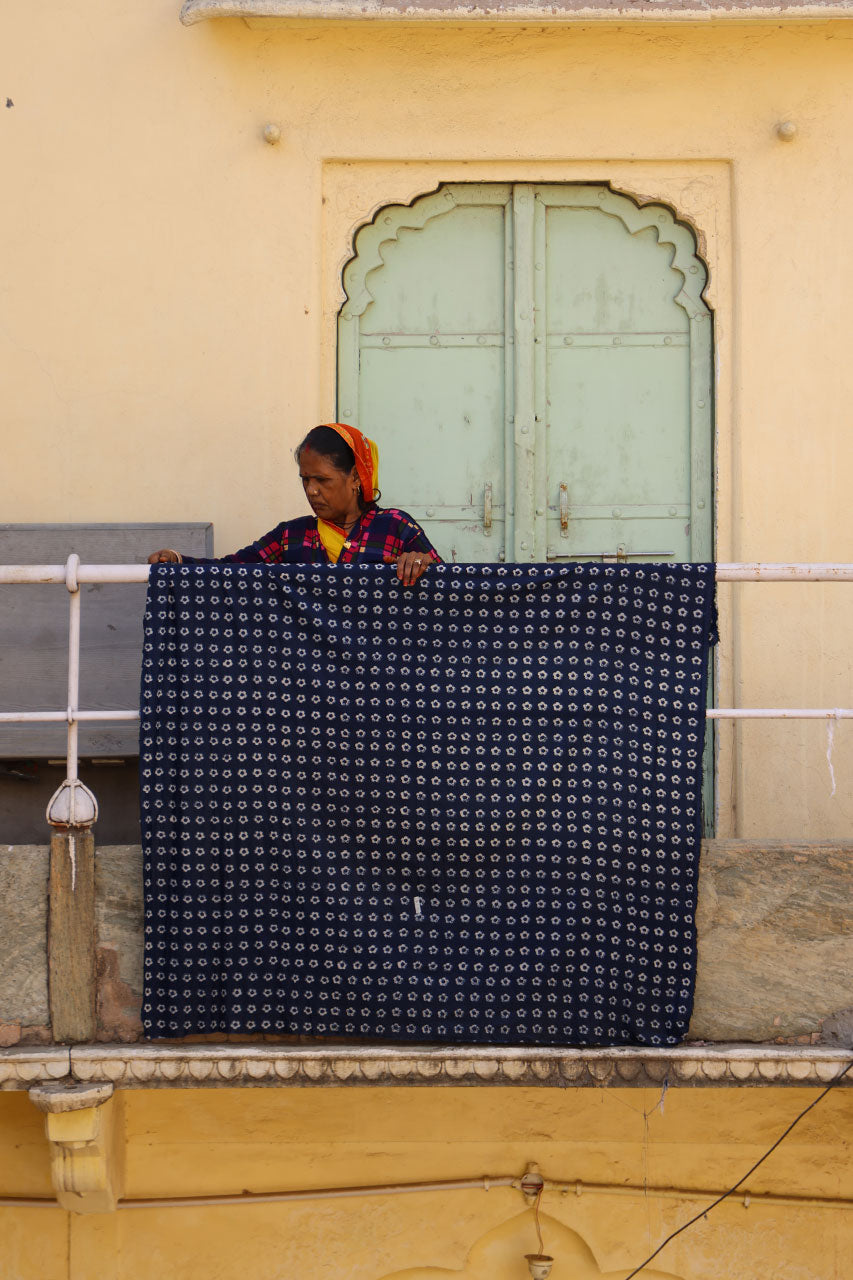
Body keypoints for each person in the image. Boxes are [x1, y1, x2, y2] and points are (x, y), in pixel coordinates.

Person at [148, 423, 441, 586]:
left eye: (322, 480)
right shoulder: (291, 536)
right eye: (305, 480)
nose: (311, 491)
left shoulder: (395, 527)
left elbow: (451, 588)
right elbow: (232, 571)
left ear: (355, 477)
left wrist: (421, 563)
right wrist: (178, 562)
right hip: (311, 681)